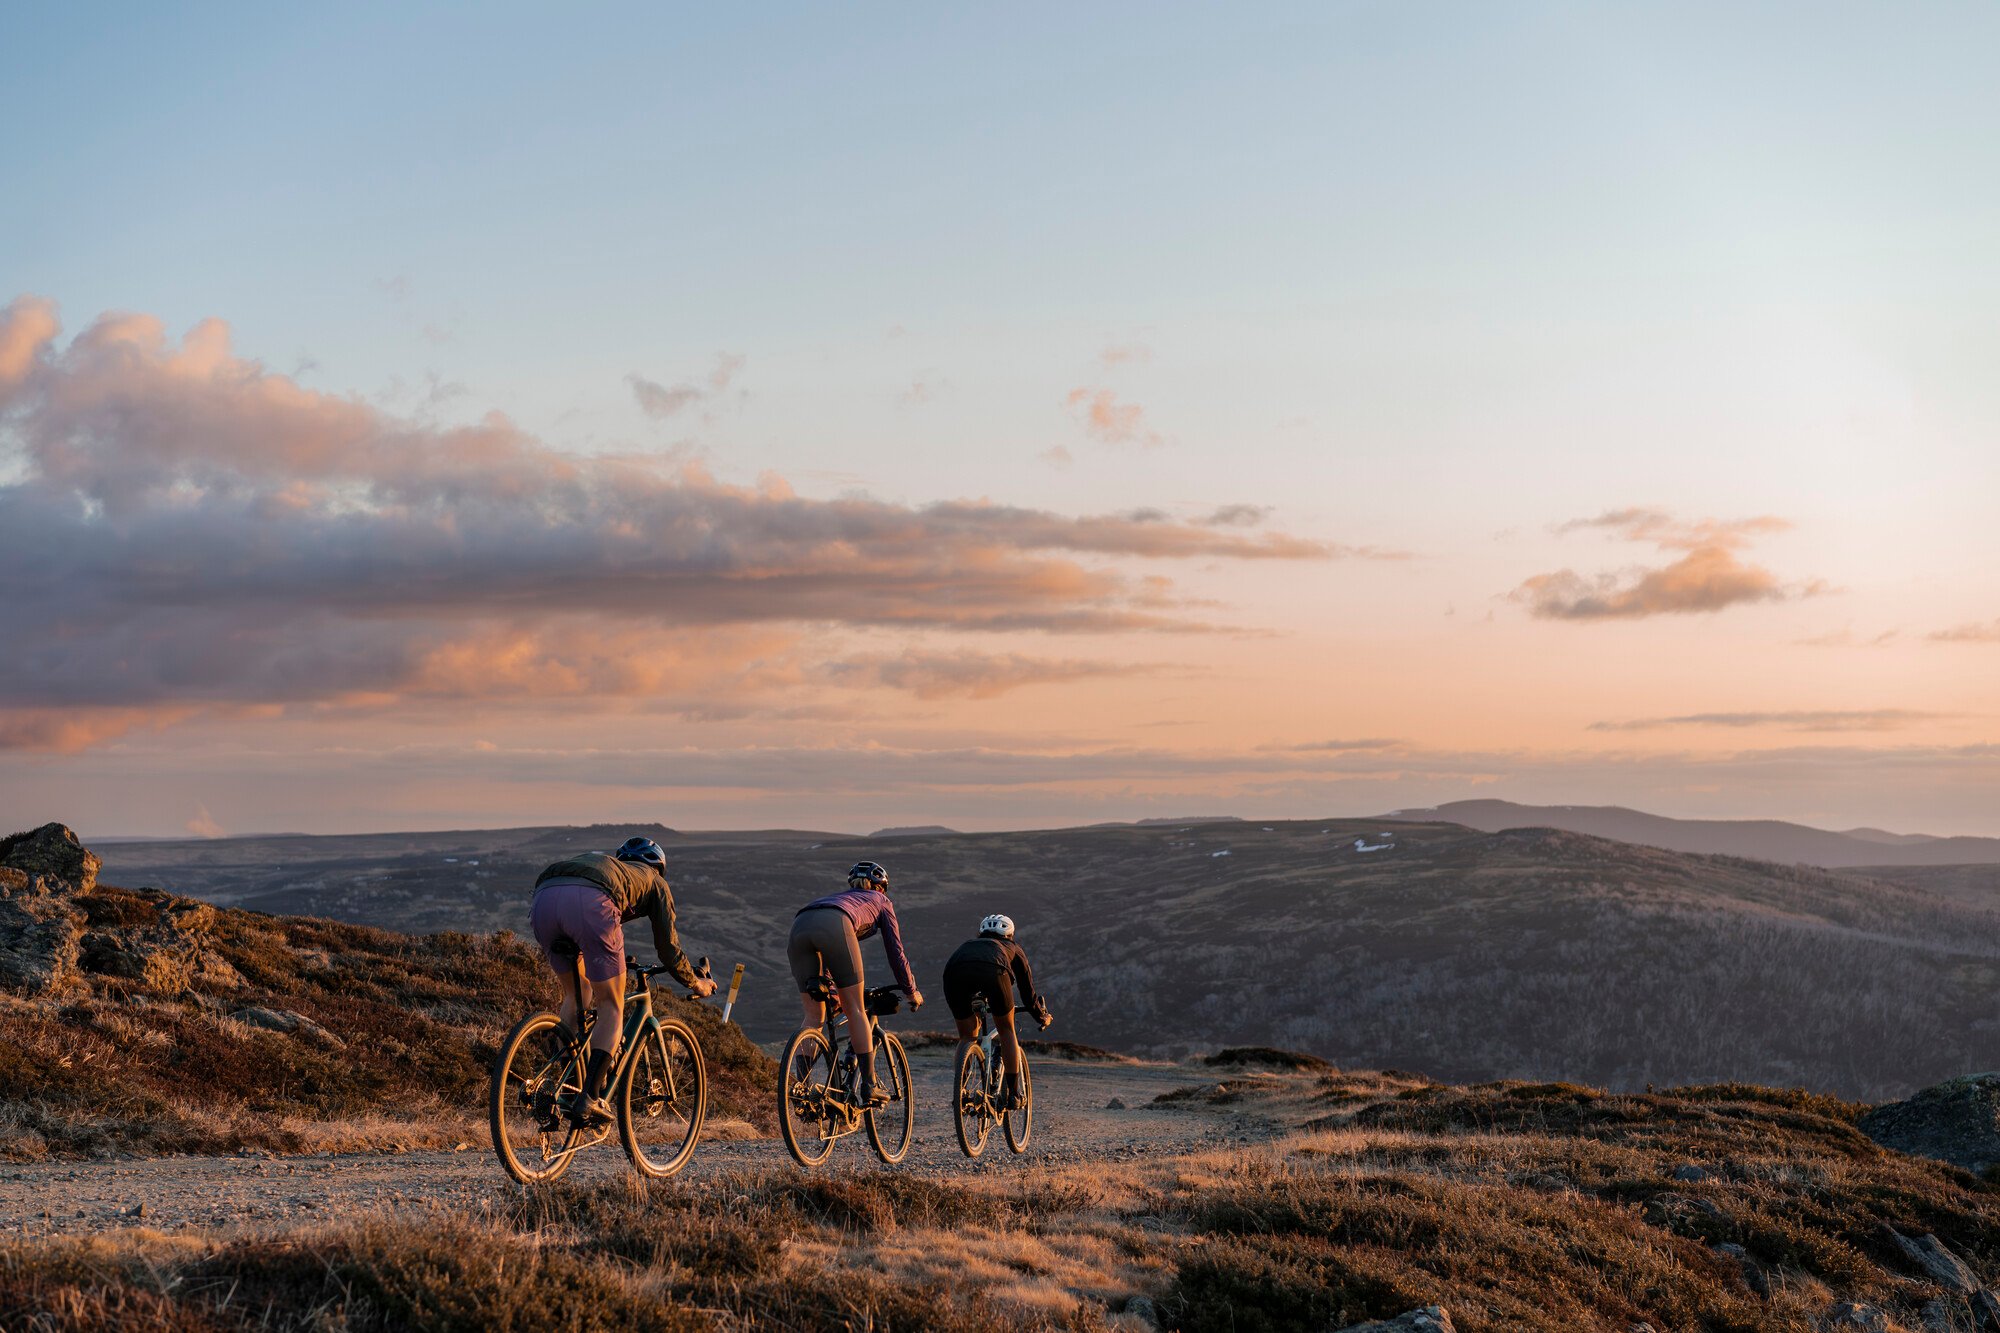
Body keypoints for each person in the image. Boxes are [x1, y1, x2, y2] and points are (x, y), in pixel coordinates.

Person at [530, 836, 717, 1128]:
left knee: (577, 995)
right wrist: (696, 983)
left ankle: (564, 1087)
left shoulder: (612, 867)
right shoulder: (655, 881)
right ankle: (590, 1099)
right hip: (590, 901)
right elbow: (668, 949)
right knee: (612, 1005)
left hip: (544, 898)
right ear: (658, 866)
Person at [789, 860, 923, 1106]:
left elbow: (826, 956)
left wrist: (831, 991)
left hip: (800, 925)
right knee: (857, 1009)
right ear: (880, 887)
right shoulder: (881, 901)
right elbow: (896, 951)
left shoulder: (840, 897)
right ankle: (870, 1086)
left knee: (814, 1016)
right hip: (836, 924)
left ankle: (802, 1089)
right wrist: (910, 990)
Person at [942, 913, 1051, 1110]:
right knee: (1006, 1030)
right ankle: (1014, 1094)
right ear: (1010, 934)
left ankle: (961, 1090)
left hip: (954, 971)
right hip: (994, 970)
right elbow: (1028, 993)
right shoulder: (1013, 948)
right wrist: (1041, 1016)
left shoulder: (969, 944)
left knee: (967, 1036)